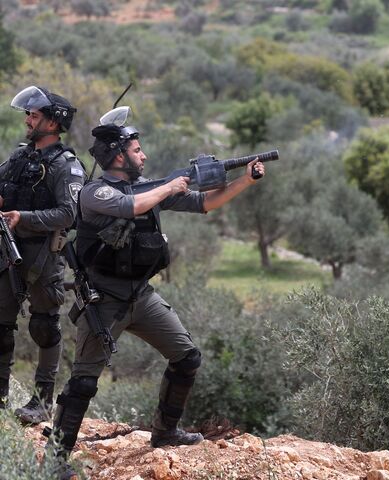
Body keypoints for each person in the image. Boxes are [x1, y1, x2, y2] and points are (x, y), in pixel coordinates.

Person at [47, 107, 265, 472]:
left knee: (187, 358)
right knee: (83, 382)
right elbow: (130, 206)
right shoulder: (94, 192)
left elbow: (205, 202)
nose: (143, 155)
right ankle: (55, 461)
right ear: (117, 156)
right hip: (104, 300)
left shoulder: (148, 188)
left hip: (141, 296)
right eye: (136, 149)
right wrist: (169, 185)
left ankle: (165, 431)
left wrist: (245, 180)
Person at [0, 86, 84, 424]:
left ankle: (41, 403)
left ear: (52, 123)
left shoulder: (67, 165)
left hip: (44, 258)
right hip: (8, 254)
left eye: (33, 115)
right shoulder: (20, 157)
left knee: (45, 327)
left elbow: (70, 213)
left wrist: (26, 218)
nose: (27, 120)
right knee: (1, 326)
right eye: (28, 114)